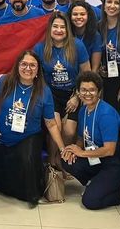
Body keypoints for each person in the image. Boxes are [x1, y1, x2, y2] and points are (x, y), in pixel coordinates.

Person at [0, 50, 66, 206]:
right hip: (3, 135)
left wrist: (62, 148)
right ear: (17, 66)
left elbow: (51, 123)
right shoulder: (4, 81)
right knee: (0, 175)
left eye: (32, 65)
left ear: (38, 70)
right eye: (24, 64)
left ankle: (31, 195)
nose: (28, 68)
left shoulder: (44, 91)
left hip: (28, 136)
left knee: (27, 161)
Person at [62, 71, 120, 210]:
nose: (88, 94)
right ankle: (96, 182)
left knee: (90, 202)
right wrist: (74, 149)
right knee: (66, 158)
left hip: (113, 163)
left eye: (92, 90)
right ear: (78, 92)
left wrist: (81, 153)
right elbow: (81, 138)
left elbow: (110, 150)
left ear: (99, 92)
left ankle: (119, 190)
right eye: (83, 90)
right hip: (95, 159)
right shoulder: (83, 110)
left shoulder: (106, 114)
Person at [33, 12, 90, 167]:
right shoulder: (40, 48)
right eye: (55, 27)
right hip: (51, 95)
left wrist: (77, 96)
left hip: (73, 93)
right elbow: (36, 76)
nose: (59, 30)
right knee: (55, 128)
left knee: (69, 131)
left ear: (67, 29)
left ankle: (63, 161)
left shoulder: (77, 45)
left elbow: (87, 74)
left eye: (62, 27)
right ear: (49, 29)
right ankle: (53, 162)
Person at [67, 1, 102, 71]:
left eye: (82, 14)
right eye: (75, 14)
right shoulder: (66, 34)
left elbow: (95, 68)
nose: (78, 17)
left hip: (88, 74)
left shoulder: (95, 36)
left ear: (88, 16)